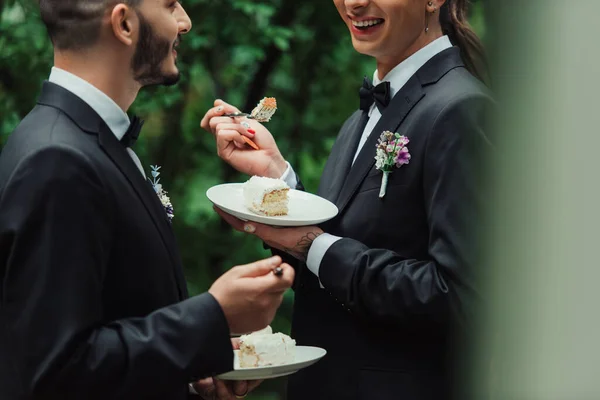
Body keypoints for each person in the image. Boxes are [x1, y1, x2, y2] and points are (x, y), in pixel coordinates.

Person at [0, 1, 295, 399]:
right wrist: (212, 317)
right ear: (124, 23)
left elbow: (106, 326)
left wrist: (187, 372)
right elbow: (53, 373)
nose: (184, 22)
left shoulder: (77, 141)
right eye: (170, 4)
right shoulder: (58, 160)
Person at [201, 0, 493, 399]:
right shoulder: (359, 120)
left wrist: (312, 245)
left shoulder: (461, 108)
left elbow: (459, 299)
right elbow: (343, 251)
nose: (354, 3)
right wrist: (276, 177)